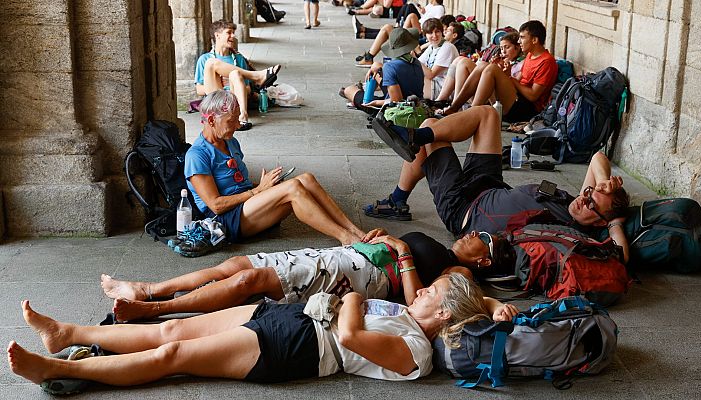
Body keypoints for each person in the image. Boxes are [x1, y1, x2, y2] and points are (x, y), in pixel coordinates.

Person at [9, 274, 520, 387]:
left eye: (431, 291)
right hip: (289, 317)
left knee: (174, 358)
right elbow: (470, 300)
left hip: (297, 347)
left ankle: (53, 369)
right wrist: (496, 303)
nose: (421, 290)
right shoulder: (414, 315)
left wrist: (355, 299)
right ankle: (68, 333)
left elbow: (349, 337)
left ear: (446, 315)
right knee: (171, 332)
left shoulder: (417, 352)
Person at [366, 106, 631, 262]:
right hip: (489, 185)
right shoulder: (577, 201)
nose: (584, 198)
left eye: (591, 203)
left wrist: (615, 222)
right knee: (489, 115)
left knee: (431, 127)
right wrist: (605, 183)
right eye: (589, 192)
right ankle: (413, 141)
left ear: (599, 222)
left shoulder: (573, 228)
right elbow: (598, 157)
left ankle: (398, 197)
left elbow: (622, 255)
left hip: (464, 210)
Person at [100, 227, 515, 321]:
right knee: (238, 266)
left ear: (484, 261)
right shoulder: (446, 249)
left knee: (250, 282)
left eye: (483, 238)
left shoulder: (457, 270)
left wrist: (404, 252)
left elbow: (421, 303)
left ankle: (153, 309)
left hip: (360, 275)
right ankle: (150, 288)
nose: (473, 233)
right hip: (349, 255)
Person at [182, 91, 366, 255]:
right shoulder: (197, 155)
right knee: (293, 188)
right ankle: (346, 238)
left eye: (238, 119)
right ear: (212, 120)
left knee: (306, 179)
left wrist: (266, 187)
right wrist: (258, 190)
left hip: (247, 204)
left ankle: (355, 231)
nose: (237, 125)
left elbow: (238, 184)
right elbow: (216, 205)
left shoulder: (230, 142)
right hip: (226, 220)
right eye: (231, 121)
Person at [443, 20, 556, 123]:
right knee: (483, 65)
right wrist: (507, 75)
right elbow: (519, 81)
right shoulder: (530, 55)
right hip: (515, 98)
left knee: (492, 69)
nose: (519, 41)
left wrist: (510, 79)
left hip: (527, 110)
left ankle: (471, 115)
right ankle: (455, 107)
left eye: (522, 37)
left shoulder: (547, 61)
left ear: (535, 40)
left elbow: (533, 96)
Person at [194, 20, 281, 130]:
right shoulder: (204, 59)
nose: (233, 36)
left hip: (233, 101)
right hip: (216, 101)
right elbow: (199, 90)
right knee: (211, 63)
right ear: (217, 35)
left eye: (233, 33)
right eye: (229, 32)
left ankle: (242, 117)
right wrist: (219, 81)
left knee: (235, 73)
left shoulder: (238, 58)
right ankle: (257, 76)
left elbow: (248, 89)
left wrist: (233, 85)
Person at [340, 28, 424, 108]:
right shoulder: (416, 62)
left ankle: (358, 94)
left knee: (348, 90)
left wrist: (376, 103)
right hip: (417, 103)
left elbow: (396, 101)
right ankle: (363, 91)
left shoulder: (390, 67)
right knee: (376, 67)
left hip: (398, 109)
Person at [435, 30, 523, 103]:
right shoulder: (504, 60)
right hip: (487, 91)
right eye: (502, 48)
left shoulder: (520, 64)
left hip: (497, 98)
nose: (503, 51)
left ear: (518, 47)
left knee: (464, 62)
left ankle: (455, 104)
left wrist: (502, 72)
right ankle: (446, 101)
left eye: (507, 47)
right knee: (459, 60)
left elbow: (512, 86)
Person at [353, 0, 446, 67]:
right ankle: (368, 55)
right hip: (421, 35)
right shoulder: (430, 6)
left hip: (419, 43)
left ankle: (368, 56)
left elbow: (437, 26)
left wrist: (420, 47)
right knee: (388, 27)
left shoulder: (439, 9)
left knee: (391, 26)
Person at [416, 18, 459, 99]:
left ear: (442, 32)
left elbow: (430, 75)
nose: (434, 36)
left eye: (437, 31)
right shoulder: (432, 47)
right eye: (430, 33)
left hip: (444, 90)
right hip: (433, 84)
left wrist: (414, 59)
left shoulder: (447, 47)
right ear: (425, 35)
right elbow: (418, 64)